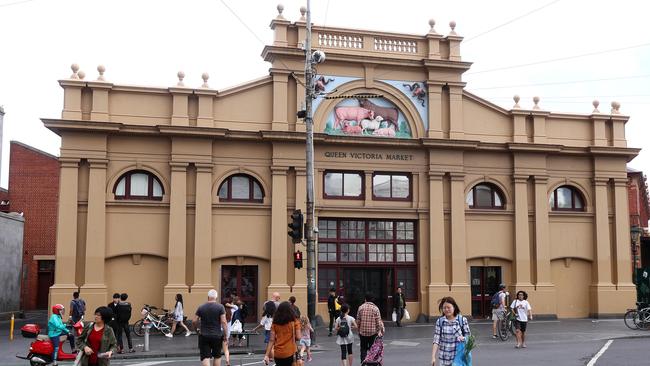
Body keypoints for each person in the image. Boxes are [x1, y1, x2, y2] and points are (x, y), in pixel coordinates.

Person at [431, 297, 471, 366]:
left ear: (454, 307)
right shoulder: (440, 321)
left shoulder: (462, 320)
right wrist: (433, 357)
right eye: (444, 308)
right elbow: (436, 340)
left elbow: (469, 338)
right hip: (444, 359)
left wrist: (463, 338)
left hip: (458, 358)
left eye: (448, 307)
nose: (446, 309)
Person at [194, 289, 228, 366]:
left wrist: (197, 330)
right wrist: (225, 335)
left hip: (204, 335)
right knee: (217, 356)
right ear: (216, 297)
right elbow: (224, 322)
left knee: (205, 357)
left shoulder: (201, 307)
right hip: (217, 335)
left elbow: (194, 321)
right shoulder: (220, 307)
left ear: (208, 297)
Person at [263, 301, 301, 366]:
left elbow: (272, 340)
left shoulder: (275, 323)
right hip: (290, 353)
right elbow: (298, 337)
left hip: (278, 354)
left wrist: (266, 355)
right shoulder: (294, 321)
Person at [356, 293, 384, 364]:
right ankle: (371, 364)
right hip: (373, 333)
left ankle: (363, 363)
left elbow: (358, 321)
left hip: (363, 332)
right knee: (372, 350)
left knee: (363, 349)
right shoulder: (375, 308)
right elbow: (378, 322)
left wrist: (358, 330)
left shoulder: (361, 307)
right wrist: (379, 331)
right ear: (372, 300)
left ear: (365, 299)